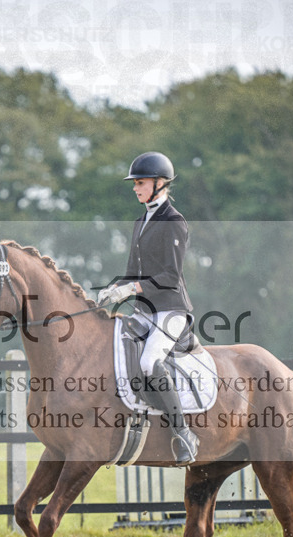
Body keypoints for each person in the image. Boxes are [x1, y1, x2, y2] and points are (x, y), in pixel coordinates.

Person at [97, 151, 198, 466]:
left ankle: (184, 434)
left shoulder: (175, 222)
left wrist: (133, 288)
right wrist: (114, 289)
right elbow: (132, 271)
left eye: (139, 182)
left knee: (150, 361)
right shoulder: (141, 220)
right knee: (115, 352)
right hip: (144, 311)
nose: (135, 188)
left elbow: (170, 275)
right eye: (135, 183)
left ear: (159, 183)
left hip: (170, 311)